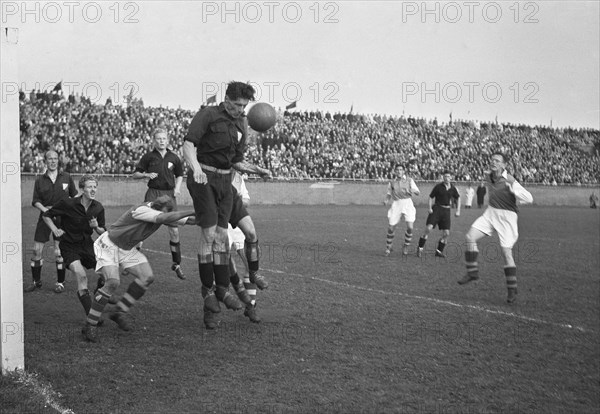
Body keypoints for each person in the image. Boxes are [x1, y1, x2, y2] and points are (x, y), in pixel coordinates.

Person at [182, 81, 272, 325]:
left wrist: (257, 169)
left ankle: (223, 289)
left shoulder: (242, 123)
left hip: (225, 183)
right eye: (237, 105)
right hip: (204, 180)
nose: (241, 110)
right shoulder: (208, 114)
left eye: (245, 106)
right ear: (227, 100)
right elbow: (188, 144)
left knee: (223, 238)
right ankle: (209, 291)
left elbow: (236, 162)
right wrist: (196, 168)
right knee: (210, 236)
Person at [83, 195, 196, 342]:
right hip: (109, 245)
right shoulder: (141, 210)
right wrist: (193, 210)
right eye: (168, 211)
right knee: (112, 282)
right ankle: (90, 324)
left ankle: (118, 311)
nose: (170, 214)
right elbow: (162, 218)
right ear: (158, 208)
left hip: (126, 248)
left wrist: (211, 216)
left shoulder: (160, 212)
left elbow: (191, 221)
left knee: (147, 277)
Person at [458, 152, 533, 303]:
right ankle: (472, 272)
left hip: (507, 217)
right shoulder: (488, 176)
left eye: (497, 161)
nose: (493, 162)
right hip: (491, 213)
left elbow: (529, 198)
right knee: (470, 237)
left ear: (504, 165)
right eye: (492, 160)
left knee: (506, 253)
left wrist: (514, 192)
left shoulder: (510, 180)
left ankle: (512, 289)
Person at [42, 175, 106, 318]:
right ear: (82, 189)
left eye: (95, 187)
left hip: (87, 245)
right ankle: (91, 317)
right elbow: (46, 215)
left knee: (106, 274)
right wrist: (54, 229)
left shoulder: (98, 208)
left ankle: (97, 294)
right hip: (69, 246)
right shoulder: (68, 204)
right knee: (82, 276)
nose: (93, 189)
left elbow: (103, 230)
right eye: (90, 187)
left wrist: (96, 227)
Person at [132, 127, 186, 279]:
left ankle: (177, 264)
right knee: (143, 227)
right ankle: (132, 258)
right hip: (153, 194)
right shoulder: (148, 157)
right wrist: (146, 174)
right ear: (154, 141)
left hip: (169, 196)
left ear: (167, 140)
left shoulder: (174, 157)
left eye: (164, 138)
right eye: (158, 139)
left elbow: (180, 174)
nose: (161, 141)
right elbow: (135, 174)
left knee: (174, 230)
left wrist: (177, 188)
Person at [25, 150, 78, 293]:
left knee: (59, 252)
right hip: (45, 216)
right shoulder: (39, 180)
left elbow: (75, 196)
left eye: (55, 159)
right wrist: (46, 211)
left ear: (58, 161)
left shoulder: (66, 177)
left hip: (62, 218)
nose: (53, 161)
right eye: (50, 159)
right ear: (45, 161)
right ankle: (36, 282)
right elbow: (35, 201)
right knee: (37, 250)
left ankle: (60, 283)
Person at [416, 171, 460, 258]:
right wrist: (429, 208)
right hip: (437, 209)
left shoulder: (453, 188)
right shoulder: (438, 187)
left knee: (446, 233)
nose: (446, 178)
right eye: (445, 176)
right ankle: (420, 248)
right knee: (428, 228)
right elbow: (430, 197)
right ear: (443, 177)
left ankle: (439, 251)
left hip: (446, 211)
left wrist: (458, 210)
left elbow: (458, 198)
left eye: (448, 176)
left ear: (451, 178)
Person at [383, 165, 420, 256]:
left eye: (401, 170)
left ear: (403, 171)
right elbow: (389, 194)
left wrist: (411, 190)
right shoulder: (392, 183)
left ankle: (406, 246)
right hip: (397, 204)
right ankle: (389, 247)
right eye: (397, 170)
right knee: (391, 228)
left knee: (410, 227)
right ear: (395, 172)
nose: (399, 171)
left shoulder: (409, 180)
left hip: (408, 203)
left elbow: (418, 192)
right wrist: (386, 200)